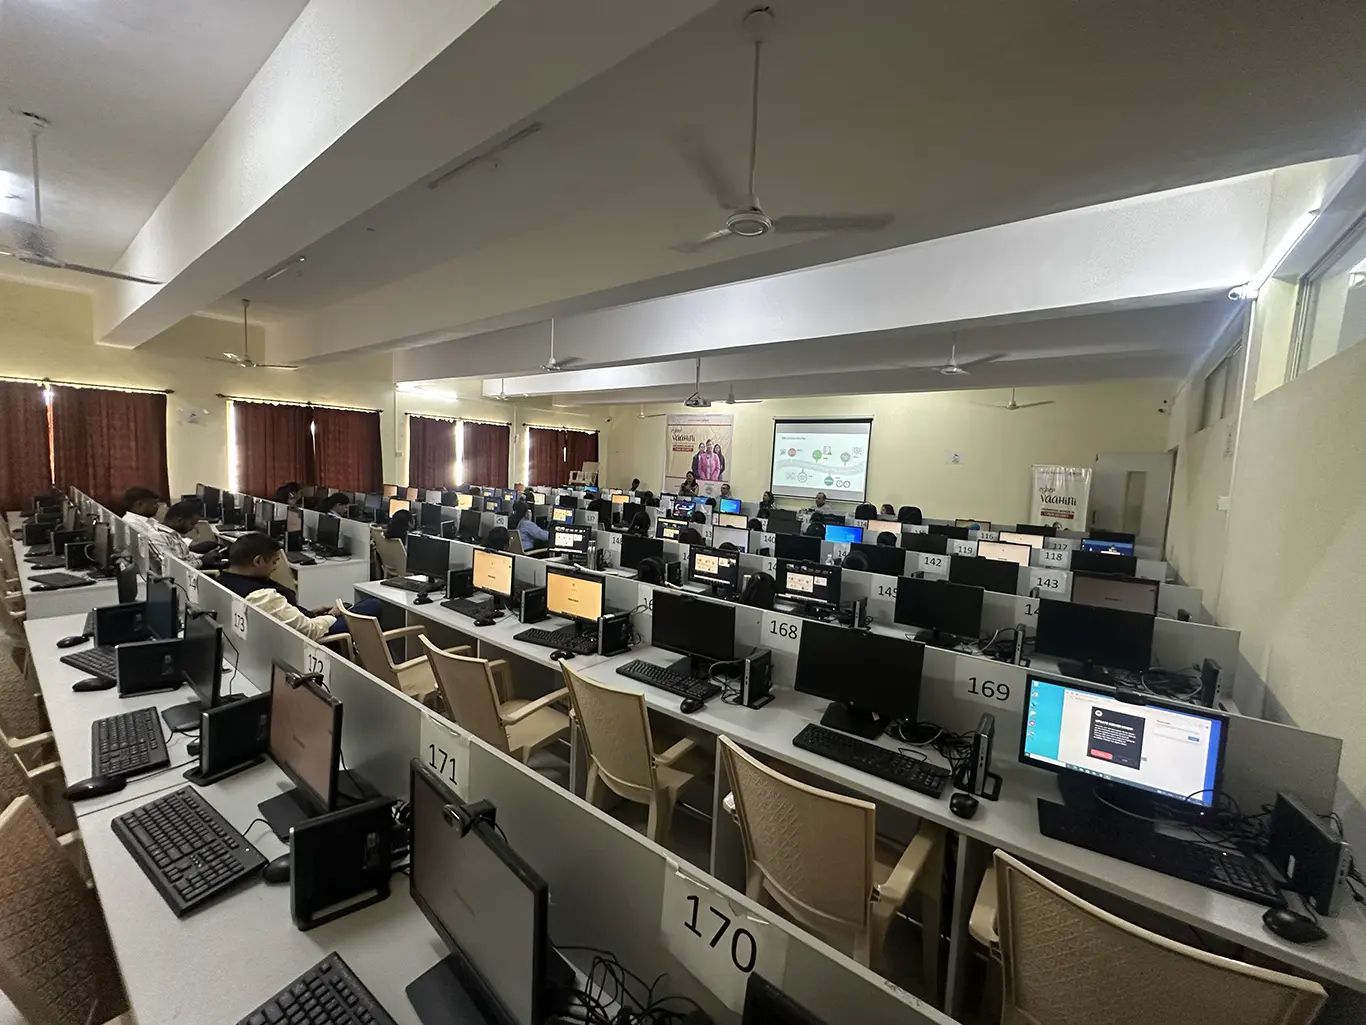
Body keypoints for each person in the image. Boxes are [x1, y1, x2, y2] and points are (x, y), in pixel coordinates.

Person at [216, 534, 381, 639]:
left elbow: (283, 614)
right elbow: (309, 630)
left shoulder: (223, 580)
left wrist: (310, 612)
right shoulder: (262, 596)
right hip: (313, 640)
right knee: (373, 605)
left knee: (352, 608)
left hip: (296, 626)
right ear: (258, 561)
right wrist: (331, 616)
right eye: (274, 562)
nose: (274, 568)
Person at [150, 501, 225, 569]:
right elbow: (171, 568)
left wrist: (204, 556)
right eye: (192, 523)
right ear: (179, 520)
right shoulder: (158, 537)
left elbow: (185, 556)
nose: (193, 528)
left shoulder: (173, 534)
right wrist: (202, 561)